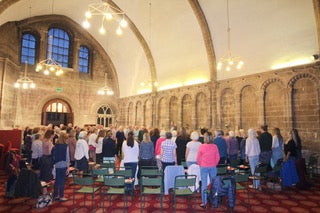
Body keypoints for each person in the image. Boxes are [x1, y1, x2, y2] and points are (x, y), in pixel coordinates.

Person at [196, 133, 220, 209]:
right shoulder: (215, 146)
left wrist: (201, 164)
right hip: (212, 166)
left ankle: (204, 202)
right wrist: (214, 163)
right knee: (214, 184)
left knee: (204, 184)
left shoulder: (202, 146)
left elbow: (198, 158)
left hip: (204, 166)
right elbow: (218, 157)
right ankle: (214, 200)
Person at [52, 131, 70, 202]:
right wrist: (68, 167)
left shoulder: (55, 145)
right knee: (62, 181)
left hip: (57, 164)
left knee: (57, 180)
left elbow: (53, 155)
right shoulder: (65, 146)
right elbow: (67, 157)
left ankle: (56, 195)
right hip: (63, 164)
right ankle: (61, 196)